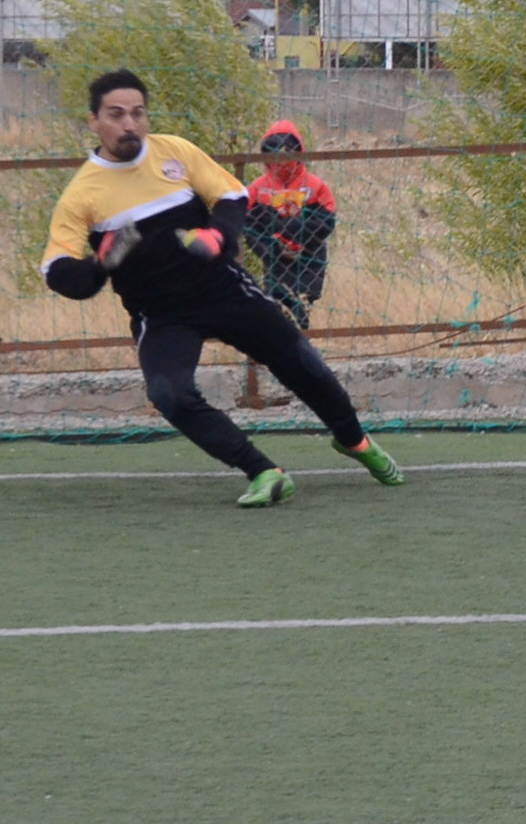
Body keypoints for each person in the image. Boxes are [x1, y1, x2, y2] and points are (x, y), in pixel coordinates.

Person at [41, 69, 407, 507]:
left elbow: (232, 196)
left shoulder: (175, 151)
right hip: (161, 315)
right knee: (169, 395)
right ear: (93, 121)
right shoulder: (82, 194)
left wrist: (219, 237)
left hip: (222, 289)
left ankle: (353, 441)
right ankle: (263, 472)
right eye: (116, 115)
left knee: (301, 362)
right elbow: (60, 273)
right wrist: (100, 263)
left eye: (138, 113)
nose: (129, 124)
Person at [243, 120, 338, 330]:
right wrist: (273, 250)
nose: (282, 163)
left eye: (287, 155)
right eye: (275, 156)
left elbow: (326, 223)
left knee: (303, 308)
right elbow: (250, 230)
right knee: (277, 310)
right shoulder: (258, 190)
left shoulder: (316, 187)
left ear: (298, 152)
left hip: (310, 256)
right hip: (275, 258)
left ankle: (301, 352)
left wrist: (287, 230)